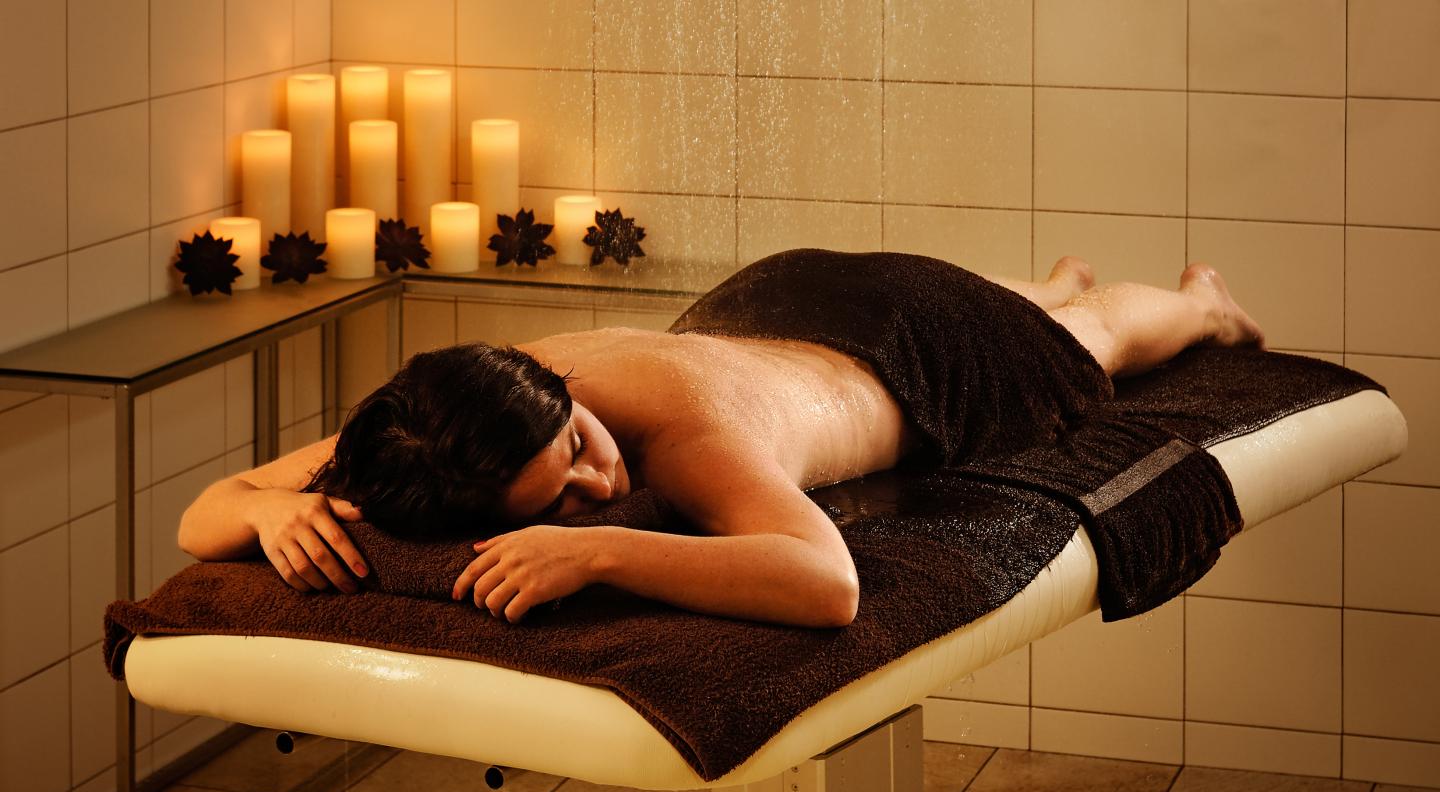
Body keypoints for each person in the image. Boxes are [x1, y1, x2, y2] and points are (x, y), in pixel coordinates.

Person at [178, 250, 1264, 628]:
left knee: (1089, 340)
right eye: (559, 501)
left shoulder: (687, 442)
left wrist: (599, 549)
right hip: (782, 298)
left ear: (559, 386)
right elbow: (204, 511)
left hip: (910, 351)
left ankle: (1198, 301)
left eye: (583, 444)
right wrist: (273, 504)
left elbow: (826, 584)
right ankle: (1036, 284)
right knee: (999, 297)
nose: (602, 482)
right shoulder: (439, 421)